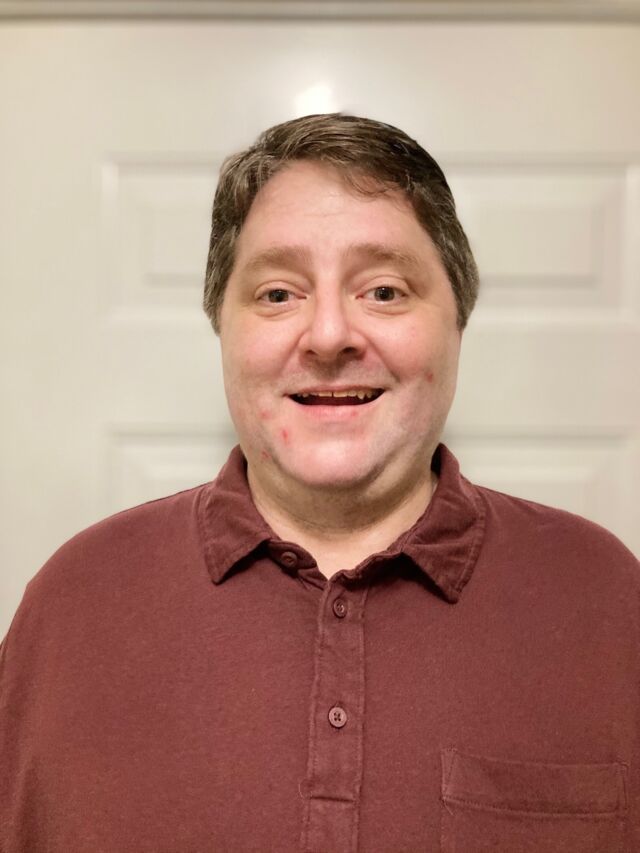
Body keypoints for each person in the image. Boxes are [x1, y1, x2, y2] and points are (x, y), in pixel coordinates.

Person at [0, 113, 638, 853]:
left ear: (457, 321)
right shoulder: (74, 604)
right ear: (222, 326)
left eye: (385, 291)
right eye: (278, 294)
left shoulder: (607, 599)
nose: (330, 335)